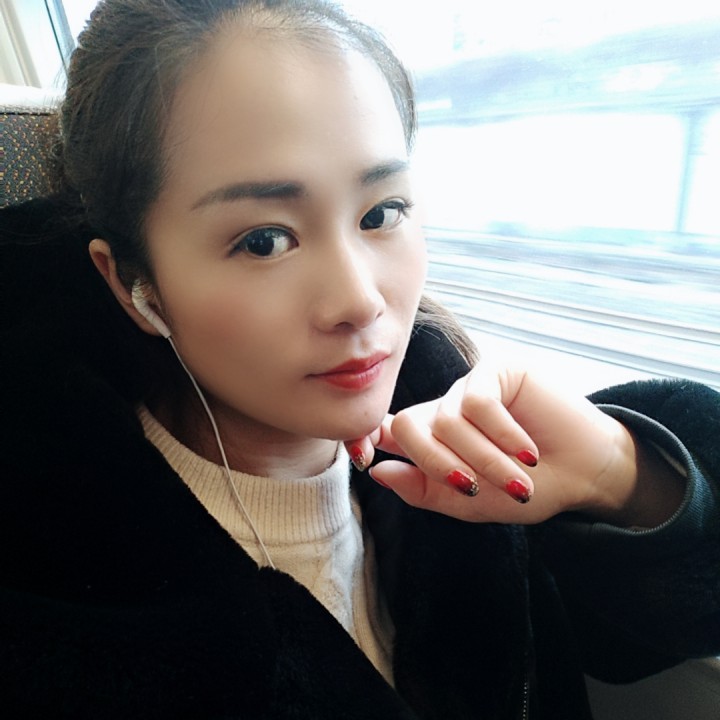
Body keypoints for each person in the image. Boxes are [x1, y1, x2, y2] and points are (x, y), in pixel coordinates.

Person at [0, 0, 718, 717]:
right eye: (263, 241)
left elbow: (624, 645)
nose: (360, 300)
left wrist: (620, 477)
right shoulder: (58, 581)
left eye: (381, 214)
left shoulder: (467, 444)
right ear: (134, 285)